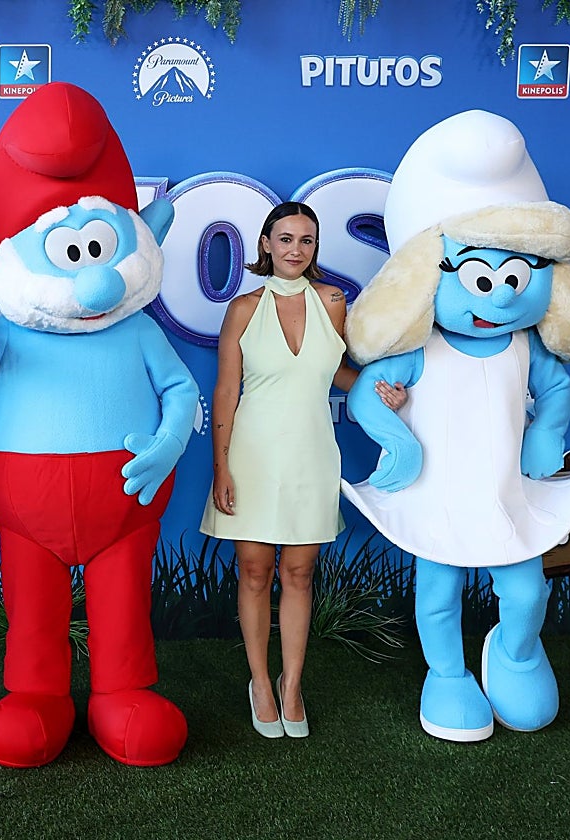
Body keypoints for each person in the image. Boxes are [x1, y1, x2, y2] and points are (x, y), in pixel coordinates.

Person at [199, 201, 404, 739]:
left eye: (306, 240)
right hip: (252, 454)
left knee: (299, 574)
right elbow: (225, 390)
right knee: (254, 573)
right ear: (265, 244)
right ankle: (260, 684)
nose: (295, 249)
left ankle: (293, 685)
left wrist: (381, 391)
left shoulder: (332, 301)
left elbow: (336, 371)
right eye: (285, 239)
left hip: (313, 452)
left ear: (316, 248)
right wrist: (221, 466)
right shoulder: (244, 308)